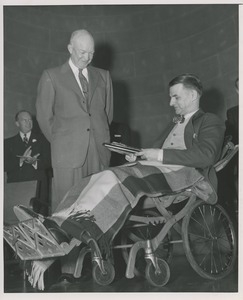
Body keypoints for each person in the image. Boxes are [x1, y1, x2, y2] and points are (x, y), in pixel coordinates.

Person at [6, 74, 225, 290]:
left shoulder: (209, 121)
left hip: (184, 176)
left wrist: (155, 155)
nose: (170, 103)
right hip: (157, 170)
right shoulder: (173, 123)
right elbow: (155, 153)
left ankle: (64, 230)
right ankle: (55, 225)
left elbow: (206, 156)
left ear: (194, 95)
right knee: (94, 178)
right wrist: (138, 155)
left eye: (175, 97)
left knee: (112, 177)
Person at [36, 29, 113, 212]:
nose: (87, 57)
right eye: (83, 52)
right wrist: (62, 141)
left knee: (99, 209)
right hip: (67, 154)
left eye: (91, 53)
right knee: (68, 209)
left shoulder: (104, 76)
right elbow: (44, 117)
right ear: (70, 48)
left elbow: (107, 114)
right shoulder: (51, 76)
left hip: (99, 151)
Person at [4, 110, 52, 215]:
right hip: (17, 187)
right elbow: (4, 166)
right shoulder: (7, 143)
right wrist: (20, 160)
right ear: (17, 123)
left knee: (40, 220)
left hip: (38, 188)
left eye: (30, 120)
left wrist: (35, 162)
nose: (28, 122)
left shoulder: (43, 139)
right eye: (24, 120)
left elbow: (49, 162)